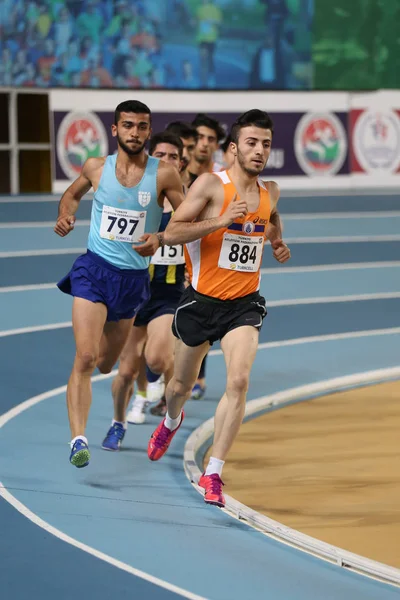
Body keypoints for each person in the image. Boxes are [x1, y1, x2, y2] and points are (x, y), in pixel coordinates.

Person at [147, 109, 291, 507]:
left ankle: (214, 471)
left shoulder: (271, 190)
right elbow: (172, 232)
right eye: (251, 142)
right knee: (179, 386)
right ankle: (171, 421)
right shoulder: (212, 185)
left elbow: (271, 216)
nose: (259, 150)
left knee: (239, 381)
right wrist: (221, 220)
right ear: (233, 149)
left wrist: (277, 240)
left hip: (243, 303)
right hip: (200, 301)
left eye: (265, 143)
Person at [54, 100, 184, 468]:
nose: (135, 133)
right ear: (115, 130)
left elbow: (186, 216)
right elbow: (72, 195)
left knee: (107, 365)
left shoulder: (164, 175)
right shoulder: (97, 167)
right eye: (128, 125)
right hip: (93, 271)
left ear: (149, 130)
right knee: (85, 356)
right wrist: (66, 214)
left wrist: (161, 237)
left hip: (131, 282)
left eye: (142, 127)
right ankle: (78, 439)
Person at [103, 132, 186, 444]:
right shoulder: (136, 196)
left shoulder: (187, 204)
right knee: (124, 370)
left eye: (173, 156)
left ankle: (168, 393)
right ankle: (117, 423)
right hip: (134, 293)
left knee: (155, 358)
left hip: (168, 296)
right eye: (160, 155)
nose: (165, 161)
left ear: (181, 162)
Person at [187, 113, 226, 183]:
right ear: (190, 140)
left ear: (217, 146)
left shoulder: (223, 177)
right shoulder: (178, 171)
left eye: (211, 139)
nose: (205, 144)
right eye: (200, 137)